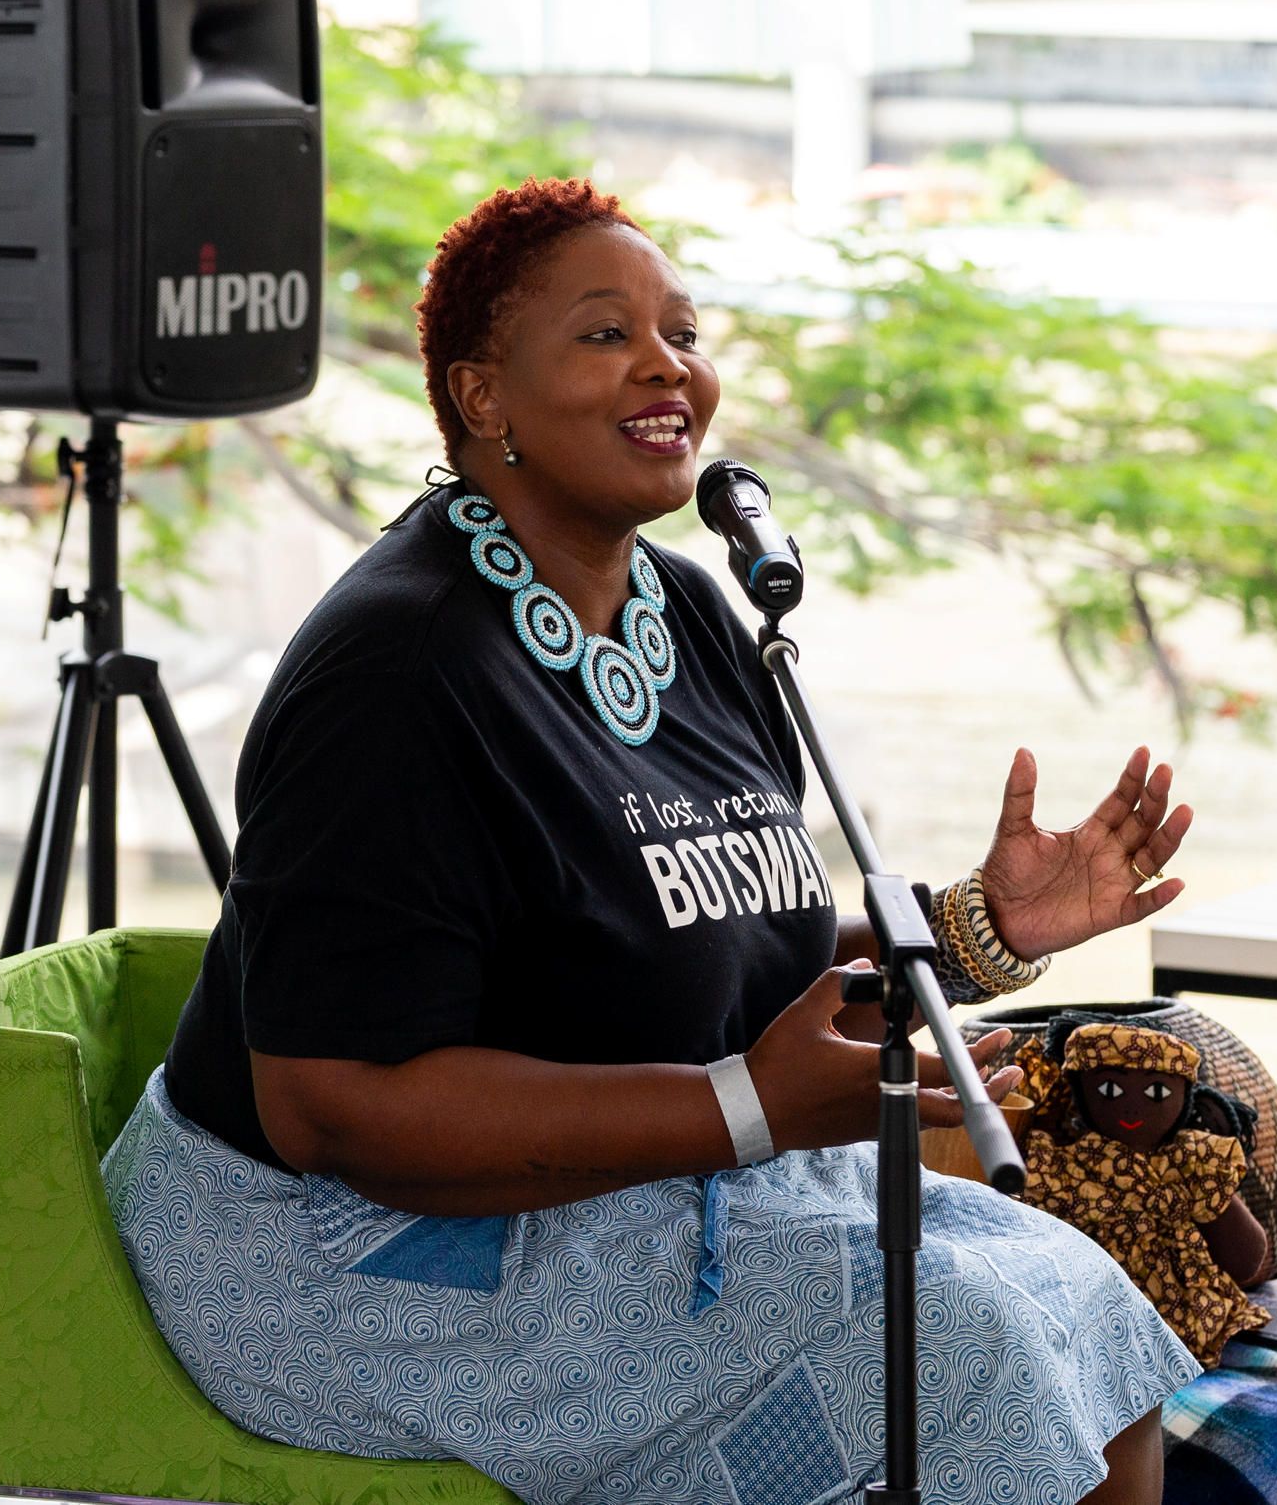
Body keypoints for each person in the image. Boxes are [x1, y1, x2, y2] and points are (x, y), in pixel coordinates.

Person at [100, 178, 1203, 1505]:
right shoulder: (396, 677)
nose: (666, 362)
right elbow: (332, 1105)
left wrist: (978, 932)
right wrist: (745, 1109)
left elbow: (702, 943)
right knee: (965, 1347)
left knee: (1083, 1294)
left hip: (616, 1170)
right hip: (340, 1258)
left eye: (681, 328)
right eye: (604, 332)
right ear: (482, 394)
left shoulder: (686, 615)